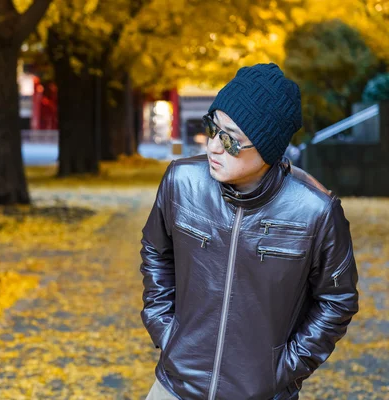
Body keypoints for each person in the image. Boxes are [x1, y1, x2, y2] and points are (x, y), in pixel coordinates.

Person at [139, 63, 359, 400]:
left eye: (230, 140)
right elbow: (156, 251)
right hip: (174, 389)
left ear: (268, 148)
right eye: (213, 129)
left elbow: (337, 300)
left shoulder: (315, 211)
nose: (213, 146)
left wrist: (284, 368)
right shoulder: (181, 182)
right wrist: (166, 329)